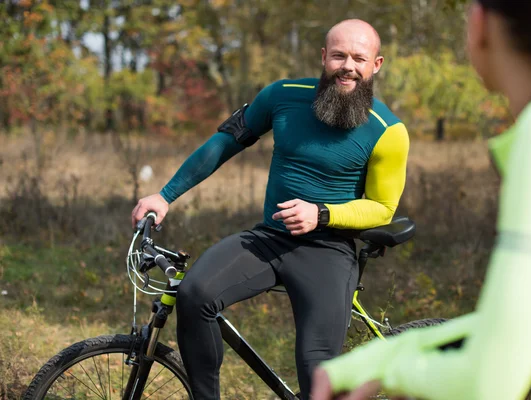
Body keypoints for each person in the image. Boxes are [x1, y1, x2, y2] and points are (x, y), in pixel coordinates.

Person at [311, 1, 531, 400]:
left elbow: (490, 381)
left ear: (480, 25)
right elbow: (523, 325)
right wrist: (393, 353)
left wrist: (385, 366)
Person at [131, 19, 410, 399]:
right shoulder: (283, 96)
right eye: (339, 55)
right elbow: (223, 143)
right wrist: (164, 195)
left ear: (375, 65)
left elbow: (382, 207)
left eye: (359, 58)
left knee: (318, 377)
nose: (348, 66)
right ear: (323, 57)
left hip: (328, 251)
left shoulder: (389, 131)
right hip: (268, 239)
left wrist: (322, 213)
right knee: (194, 295)